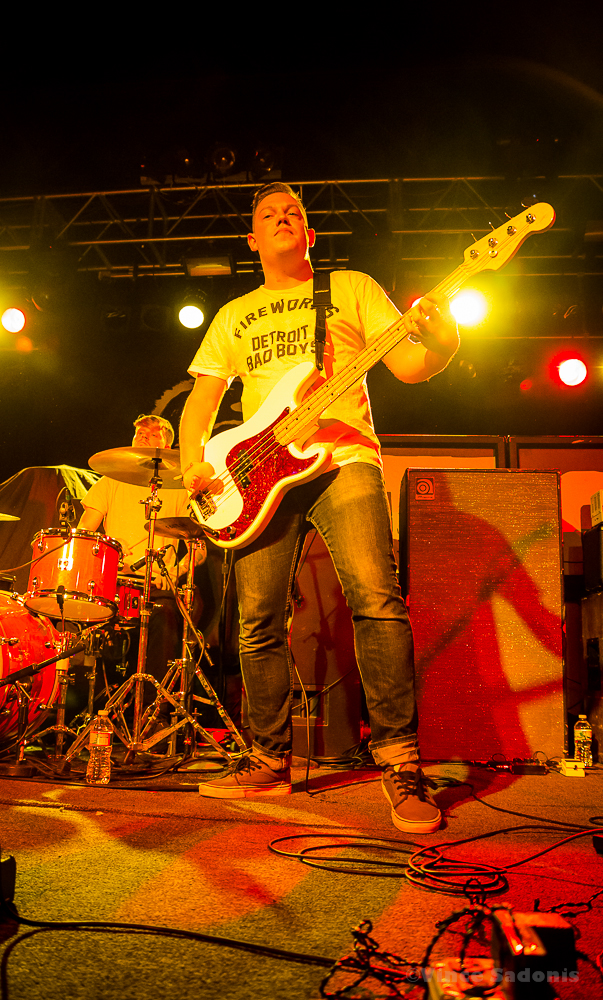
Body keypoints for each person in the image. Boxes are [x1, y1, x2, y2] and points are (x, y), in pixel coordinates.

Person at [178, 182, 460, 834]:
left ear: (309, 234)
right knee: (256, 620)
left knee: (376, 599)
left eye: (294, 213)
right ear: (252, 239)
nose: (282, 218)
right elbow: (201, 401)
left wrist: (443, 341)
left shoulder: (351, 288)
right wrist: (194, 459)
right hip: (257, 475)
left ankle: (399, 760)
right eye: (268, 214)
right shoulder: (233, 315)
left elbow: (409, 366)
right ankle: (266, 757)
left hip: (343, 458)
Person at [79, 413, 206, 681]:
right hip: (113, 582)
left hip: (157, 585)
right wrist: (107, 558)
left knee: (164, 615)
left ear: (167, 446)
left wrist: (176, 573)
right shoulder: (110, 481)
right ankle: (97, 697)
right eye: (140, 433)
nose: (143, 437)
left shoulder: (179, 490)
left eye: (152, 434)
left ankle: (152, 700)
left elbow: (199, 547)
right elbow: (84, 535)